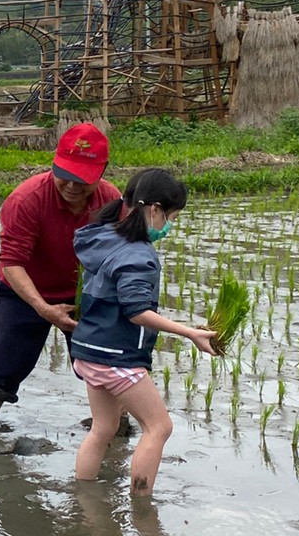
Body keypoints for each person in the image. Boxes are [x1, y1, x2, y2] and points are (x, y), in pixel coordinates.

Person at [71, 169, 216, 494]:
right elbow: (136, 312)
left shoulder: (102, 236)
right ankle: (143, 508)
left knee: (103, 428)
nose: (169, 226)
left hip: (87, 350)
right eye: (171, 217)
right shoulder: (138, 255)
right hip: (117, 357)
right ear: (154, 210)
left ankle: (85, 499)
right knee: (158, 427)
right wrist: (189, 332)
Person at [0, 122, 121, 430]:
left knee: (108, 367)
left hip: (83, 293)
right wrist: (43, 309)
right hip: (23, 291)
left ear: (102, 171)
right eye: (65, 174)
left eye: (83, 178)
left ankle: (117, 433)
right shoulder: (27, 199)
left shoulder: (110, 201)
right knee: (7, 369)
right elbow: (12, 263)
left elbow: (119, 254)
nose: (71, 185)